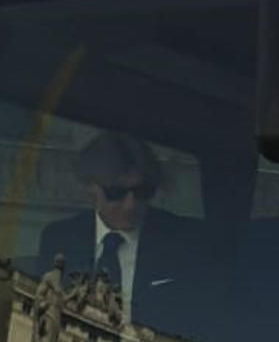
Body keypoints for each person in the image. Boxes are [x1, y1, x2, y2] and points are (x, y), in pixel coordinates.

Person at [32, 132, 208, 330]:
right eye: (116, 193)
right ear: (91, 188)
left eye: (142, 192)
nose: (130, 205)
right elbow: (42, 318)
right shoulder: (60, 239)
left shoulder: (182, 241)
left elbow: (196, 323)